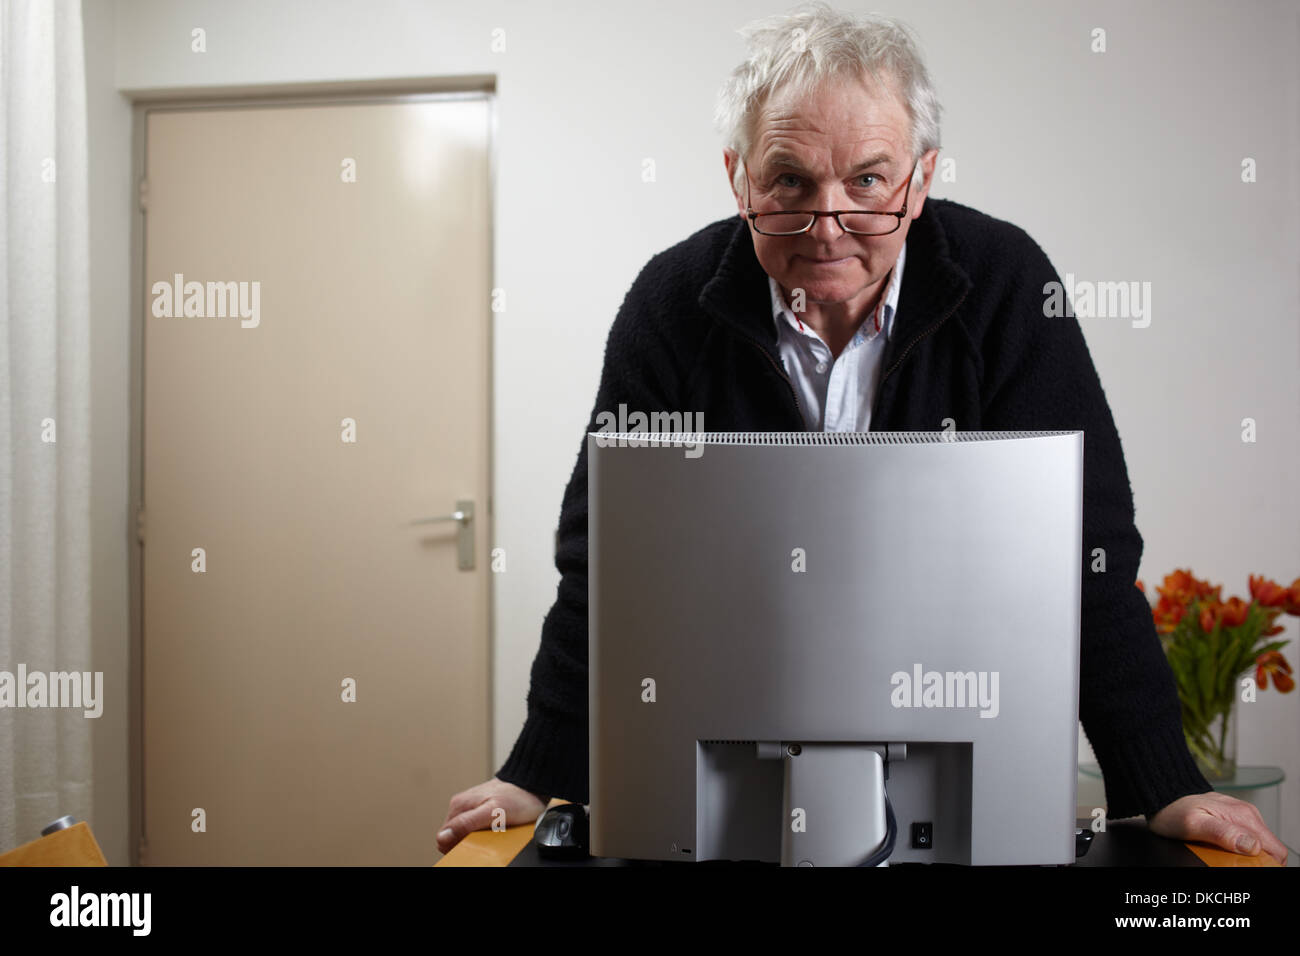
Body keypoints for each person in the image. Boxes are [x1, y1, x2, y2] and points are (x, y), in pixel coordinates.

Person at [438, 3, 1288, 863]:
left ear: (921, 181)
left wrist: (1166, 783)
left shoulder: (1006, 286)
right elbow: (605, 563)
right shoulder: (669, 303)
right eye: (790, 182)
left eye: (868, 182)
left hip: (961, 773)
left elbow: (1088, 555)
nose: (828, 222)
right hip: (723, 779)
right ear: (739, 179)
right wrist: (538, 771)